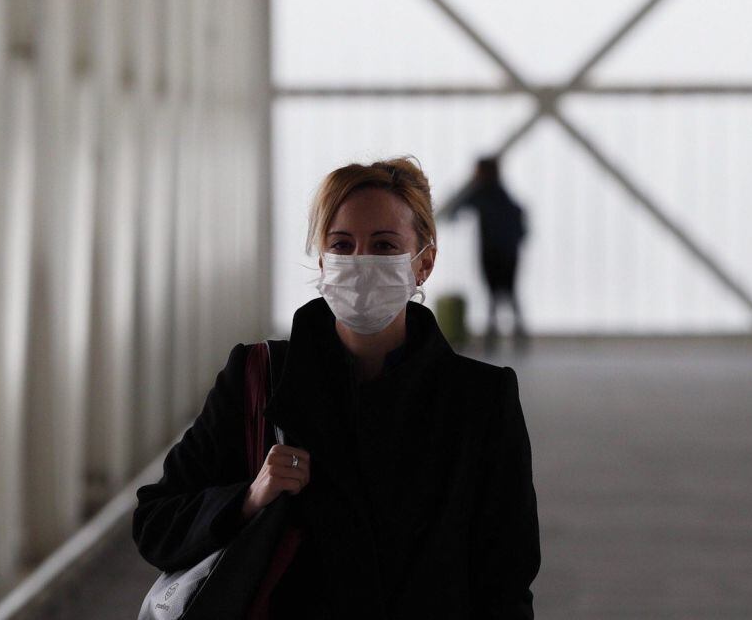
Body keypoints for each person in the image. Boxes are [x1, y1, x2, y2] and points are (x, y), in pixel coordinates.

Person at [132, 156, 541, 618]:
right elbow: (155, 523)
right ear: (323, 261)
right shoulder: (258, 379)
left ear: (423, 263)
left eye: (384, 246)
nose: (359, 262)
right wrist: (247, 500)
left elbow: (506, 581)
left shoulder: (481, 400)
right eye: (342, 245)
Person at [438, 155, 528, 352]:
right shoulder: (500, 195)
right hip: (507, 252)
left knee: (496, 295)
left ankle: (494, 338)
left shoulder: (483, 193)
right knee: (507, 293)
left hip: (493, 252)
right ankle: (511, 337)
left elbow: (456, 208)